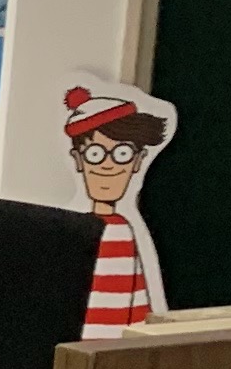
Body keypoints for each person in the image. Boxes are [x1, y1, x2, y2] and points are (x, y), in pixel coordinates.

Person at [60, 81, 174, 334]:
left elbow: (137, 305)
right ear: (78, 159)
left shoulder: (124, 231)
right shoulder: (71, 230)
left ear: (137, 161)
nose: (108, 165)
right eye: (95, 154)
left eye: (122, 154)